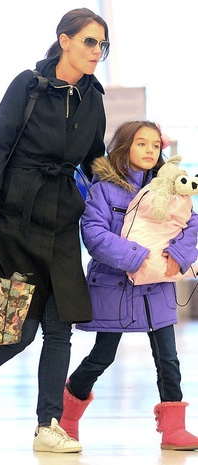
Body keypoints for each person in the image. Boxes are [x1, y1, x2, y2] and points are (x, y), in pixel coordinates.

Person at [0, 8, 110, 453]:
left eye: (102, 44)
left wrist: (133, 178)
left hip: (61, 221)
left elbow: (93, 160)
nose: (97, 51)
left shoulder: (94, 97)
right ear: (65, 41)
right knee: (19, 327)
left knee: (61, 328)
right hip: (17, 217)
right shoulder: (28, 86)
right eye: (90, 42)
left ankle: (47, 425)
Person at [59, 121, 198, 451]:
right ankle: (67, 418)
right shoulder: (103, 188)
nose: (150, 151)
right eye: (141, 144)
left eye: (154, 145)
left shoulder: (171, 187)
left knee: (168, 358)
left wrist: (178, 255)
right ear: (123, 148)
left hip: (157, 288)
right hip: (114, 287)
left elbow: (192, 223)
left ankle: (174, 429)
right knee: (101, 357)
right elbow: (94, 234)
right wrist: (138, 258)